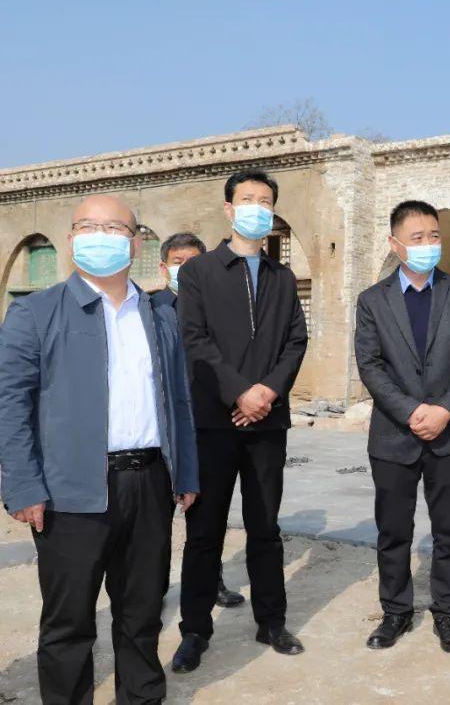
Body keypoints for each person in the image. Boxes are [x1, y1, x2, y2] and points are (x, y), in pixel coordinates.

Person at [0, 195, 198, 705]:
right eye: (89, 226)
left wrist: (186, 473)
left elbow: (178, 399)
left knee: (142, 611)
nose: (101, 237)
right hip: (69, 493)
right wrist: (23, 485)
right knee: (69, 622)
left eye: (115, 228)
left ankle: (142, 697)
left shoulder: (159, 315)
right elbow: (9, 405)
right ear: (71, 240)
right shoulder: (34, 313)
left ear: (135, 244)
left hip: (149, 483)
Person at [172, 169, 308, 672]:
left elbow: (296, 340)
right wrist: (239, 392)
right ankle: (194, 630)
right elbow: (195, 340)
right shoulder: (199, 272)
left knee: (265, 527)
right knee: (204, 532)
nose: (257, 207)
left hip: (267, 424)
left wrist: (266, 392)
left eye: (265, 201)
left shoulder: (282, 277)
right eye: (248, 199)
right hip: (213, 422)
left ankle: (271, 621)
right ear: (229, 209)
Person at [354, 200, 450, 654]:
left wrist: (445, 409)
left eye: (434, 236)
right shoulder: (372, 301)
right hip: (394, 434)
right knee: (394, 531)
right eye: (417, 237)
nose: (428, 244)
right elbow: (370, 365)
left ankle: (447, 614)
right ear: (395, 244)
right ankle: (395, 611)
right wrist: (411, 411)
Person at [152, 232, 246, 610]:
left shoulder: (217, 309)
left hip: (205, 426)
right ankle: (154, 587)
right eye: (179, 262)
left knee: (207, 515)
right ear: (164, 268)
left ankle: (211, 581)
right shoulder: (151, 309)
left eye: (194, 262)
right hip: (164, 429)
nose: (187, 269)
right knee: (157, 517)